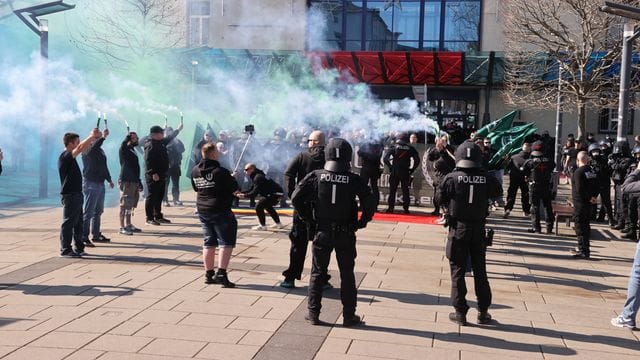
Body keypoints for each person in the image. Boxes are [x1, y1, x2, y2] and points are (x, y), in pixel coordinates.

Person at [291, 138, 375, 326]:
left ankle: (313, 313)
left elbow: (296, 197)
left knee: (317, 273)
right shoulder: (353, 178)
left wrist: (308, 218)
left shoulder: (316, 175)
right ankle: (348, 315)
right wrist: (362, 221)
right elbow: (370, 201)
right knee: (347, 274)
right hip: (345, 232)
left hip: (322, 230)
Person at [438, 140, 502, 325]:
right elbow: (497, 191)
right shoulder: (487, 177)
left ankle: (460, 312)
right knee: (480, 270)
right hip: (478, 229)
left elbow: (439, 198)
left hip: (458, 228)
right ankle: (483, 311)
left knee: (457, 270)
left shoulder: (452, 178)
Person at [281, 130, 327, 288]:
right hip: (322, 206)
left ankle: (291, 277)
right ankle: (321, 279)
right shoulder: (330, 158)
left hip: (302, 205)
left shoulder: (301, 156)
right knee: (321, 244)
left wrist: (292, 194)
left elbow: (288, 174)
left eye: (309, 140)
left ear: (314, 142)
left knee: (298, 243)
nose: (308, 142)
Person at [191, 143, 238, 287]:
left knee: (209, 241)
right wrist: (232, 178)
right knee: (226, 242)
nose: (218, 153)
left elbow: (196, 187)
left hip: (203, 209)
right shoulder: (220, 171)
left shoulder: (195, 170)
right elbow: (234, 187)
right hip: (220, 210)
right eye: (216, 151)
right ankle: (222, 273)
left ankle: (209, 273)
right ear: (212, 154)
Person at [59, 129, 101, 257]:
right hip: (70, 195)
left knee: (78, 223)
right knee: (69, 222)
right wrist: (91, 136)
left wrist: (95, 139)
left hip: (77, 194)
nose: (79, 144)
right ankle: (65, 249)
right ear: (71, 143)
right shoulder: (65, 156)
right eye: (77, 142)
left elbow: (83, 147)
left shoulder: (70, 156)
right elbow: (81, 147)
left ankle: (79, 247)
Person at [144, 123, 183, 225]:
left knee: (160, 195)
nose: (163, 134)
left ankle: (158, 215)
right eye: (161, 133)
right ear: (154, 135)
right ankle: (149, 218)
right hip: (154, 176)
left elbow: (170, 137)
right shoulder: (150, 145)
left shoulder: (160, 142)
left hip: (162, 174)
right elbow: (148, 161)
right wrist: (153, 173)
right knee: (152, 196)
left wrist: (178, 130)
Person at [81, 127, 114, 247]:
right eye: (95, 136)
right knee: (89, 211)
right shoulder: (86, 148)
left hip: (100, 182)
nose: (98, 138)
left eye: (98, 136)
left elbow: (103, 166)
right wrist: (103, 137)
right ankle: (84, 236)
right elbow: (94, 147)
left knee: (98, 210)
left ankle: (95, 234)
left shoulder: (100, 150)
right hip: (91, 182)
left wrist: (109, 179)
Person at [237, 163, 284, 230]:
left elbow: (254, 193)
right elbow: (252, 189)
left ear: (252, 169)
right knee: (268, 206)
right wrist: (241, 193)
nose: (244, 171)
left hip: (276, 194)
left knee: (258, 206)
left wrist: (244, 195)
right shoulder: (256, 176)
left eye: (246, 169)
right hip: (275, 193)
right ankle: (278, 224)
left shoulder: (257, 177)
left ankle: (263, 226)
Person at [522, 141, 555, 234]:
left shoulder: (530, 162)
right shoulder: (550, 161)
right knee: (547, 207)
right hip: (546, 186)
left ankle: (536, 228)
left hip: (534, 187)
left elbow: (524, 172)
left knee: (534, 207)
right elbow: (553, 166)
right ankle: (549, 227)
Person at [384, 132, 420, 214]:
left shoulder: (394, 147)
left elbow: (385, 159)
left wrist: (390, 167)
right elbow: (417, 160)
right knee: (405, 191)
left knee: (392, 191)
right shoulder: (410, 148)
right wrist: (412, 169)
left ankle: (390, 208)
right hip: (405, 172)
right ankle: (406, 209)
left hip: (395, 171)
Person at [571, 151, 598, 259]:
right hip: (589, 204)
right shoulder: (592, 171)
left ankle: (583, 250)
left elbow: (579, 189)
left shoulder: (578, 172)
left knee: (580, 227)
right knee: (586, 226)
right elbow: (598, 185)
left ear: (578, 160)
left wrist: (588, 198)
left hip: (580, 204)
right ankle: (585, 248)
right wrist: (593, 197)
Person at [118, 132, 144, 236]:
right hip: (127, 181)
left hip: (133, 181)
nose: (137, 139)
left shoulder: (132, 149)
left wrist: (139, 181)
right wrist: (127, 137)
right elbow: (123, 145)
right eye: (135, 138)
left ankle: (128, 224)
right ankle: (122, 227)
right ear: (129, 139)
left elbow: (135, 168)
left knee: (130, 205)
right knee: (124, 204)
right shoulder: (124, 149)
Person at [427, 137, 456, 217]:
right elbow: (430, 158)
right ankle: (437, 210)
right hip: (438, 176)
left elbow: (452, 158)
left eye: (442, 142)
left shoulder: (449, 150)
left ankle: (446, 213)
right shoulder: (436, 150)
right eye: (438, 142)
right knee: (437, 195)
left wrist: (444, 147)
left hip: (447, 176)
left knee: (445, 196)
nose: (439, 143)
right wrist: (436, 148)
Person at [588, 143, 614, 226]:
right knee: (592, 200)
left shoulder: (604, 160)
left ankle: (610, 219)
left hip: (604, 184)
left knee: (606, 202)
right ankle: (592, 216)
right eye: (593, 151)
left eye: (597, 151)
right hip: (593, 184)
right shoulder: (590, 161)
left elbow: (608, 171)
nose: (595, 153)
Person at [611, 140, 634, 230]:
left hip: (625, 184)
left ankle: (627, 224)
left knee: (624, 204)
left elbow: (620, 168)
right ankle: (620, 222)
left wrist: (613, 163)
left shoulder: (628, 160)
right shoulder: (618, 159)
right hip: (618, 183)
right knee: (618, 203)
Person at [504, 143, 531, 218]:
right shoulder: (529, 159)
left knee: (511, 194)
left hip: (514, 178)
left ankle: (508, 209)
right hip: (525, 179)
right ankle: (526, 211)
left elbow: (508, 168)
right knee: (525, 195)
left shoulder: (514, 157)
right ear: (529, 149)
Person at [357, 138, 384, 210]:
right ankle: (374, 205)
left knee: (364, 186)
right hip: (374, 168)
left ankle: (363, 205)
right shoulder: (379, 145)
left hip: (367, 167)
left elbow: (359, 153)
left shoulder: (367, 144)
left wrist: (367, 155)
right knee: (374, 186)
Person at [163, 127, 185, 207]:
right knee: (165, 184)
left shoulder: (177, 141)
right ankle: (165, 200)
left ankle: (176, 199)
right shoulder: (164, 141)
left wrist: (176, 145)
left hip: (176, 166)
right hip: (166, 166)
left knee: (176, 184)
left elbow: (183, 149)